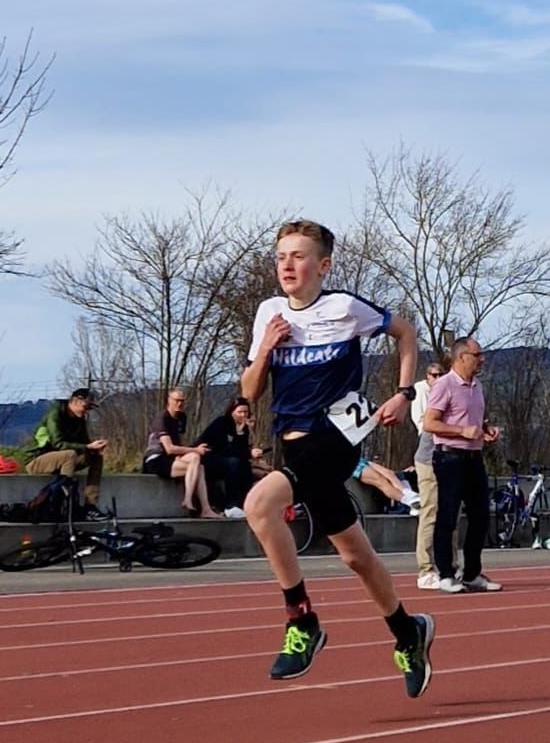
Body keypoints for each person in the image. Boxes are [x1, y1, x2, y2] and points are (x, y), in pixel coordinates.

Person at [241, 218, 435, 699]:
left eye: (299, 255)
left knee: (259, 506)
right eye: (282, 255)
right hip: (293, 442)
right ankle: (407, 631)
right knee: (356, 556)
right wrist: (265, 348)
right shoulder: (268, 312)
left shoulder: (344, 307)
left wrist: (404, 393)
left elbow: (406, 332)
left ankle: (302, 621)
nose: (288, 264)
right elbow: (248, 392)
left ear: (323, 266)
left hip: (336, 436)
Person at [423, 337, 502, 594]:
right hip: (449, 457)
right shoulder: (444, 384)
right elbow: (430, 423)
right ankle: (445, 573)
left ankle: (472, 573)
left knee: (480, 515)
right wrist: (461, 431)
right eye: (477, 355)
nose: (482, 360)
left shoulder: (477, 386)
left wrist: (486, 429)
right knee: (448, 515)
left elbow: (475, 417)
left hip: (473, 457)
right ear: (461, 357)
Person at [24, 387, 109, 521]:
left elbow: (84, 443)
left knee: (96, 457)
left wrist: (94, 448)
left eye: (90, 408)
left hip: (63, 461)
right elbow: (58, 443)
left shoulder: (80, 420)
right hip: (38, 460)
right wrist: (87, 446)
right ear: (75, 401)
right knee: (69, 454)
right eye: (86, 406)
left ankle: (90, 506)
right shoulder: (55, 414)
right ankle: (68, 504)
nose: (87, 411)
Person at [411, 362, 460, 590]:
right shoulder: (425, 393)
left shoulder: (454, 390)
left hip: (450, 459)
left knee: (451, 513)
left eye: (442, 374)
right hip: (429, 457)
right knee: (430, 510)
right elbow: (425, 424)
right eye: (434, 375)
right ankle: (426, 569)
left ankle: (450, 565)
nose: (438, 378)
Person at [142, 388, 222, 519]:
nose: (179, 404)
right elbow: (169, 448)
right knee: (195, 457)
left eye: (182, 401)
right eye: (176, 400)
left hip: (171, 459)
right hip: (156, 459)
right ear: (169, 401)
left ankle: (205, 509)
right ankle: (188, 499)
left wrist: (193, 450)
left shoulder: (181, 418)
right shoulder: (162, 418)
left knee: (199, 465)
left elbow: (179, 443)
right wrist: (194, 450)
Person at [195, 396, 264, 519]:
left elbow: (240, 450)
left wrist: (242, 434)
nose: (242, 415)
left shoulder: (243, 428)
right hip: (208, 456)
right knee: (233, 463)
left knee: (244, 465)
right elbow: (225, 449)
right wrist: (248, 453)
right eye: (239, 412)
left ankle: (245, 503)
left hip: (226, 458)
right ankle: (230, 504)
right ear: (232, 412)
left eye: (245, 412)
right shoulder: (221, 423)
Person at [352, 457, 421, 515]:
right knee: (379, 479)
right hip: (347, 463)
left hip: (356, 458)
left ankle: (409, 494)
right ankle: (410, 502)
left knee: (389, 473)